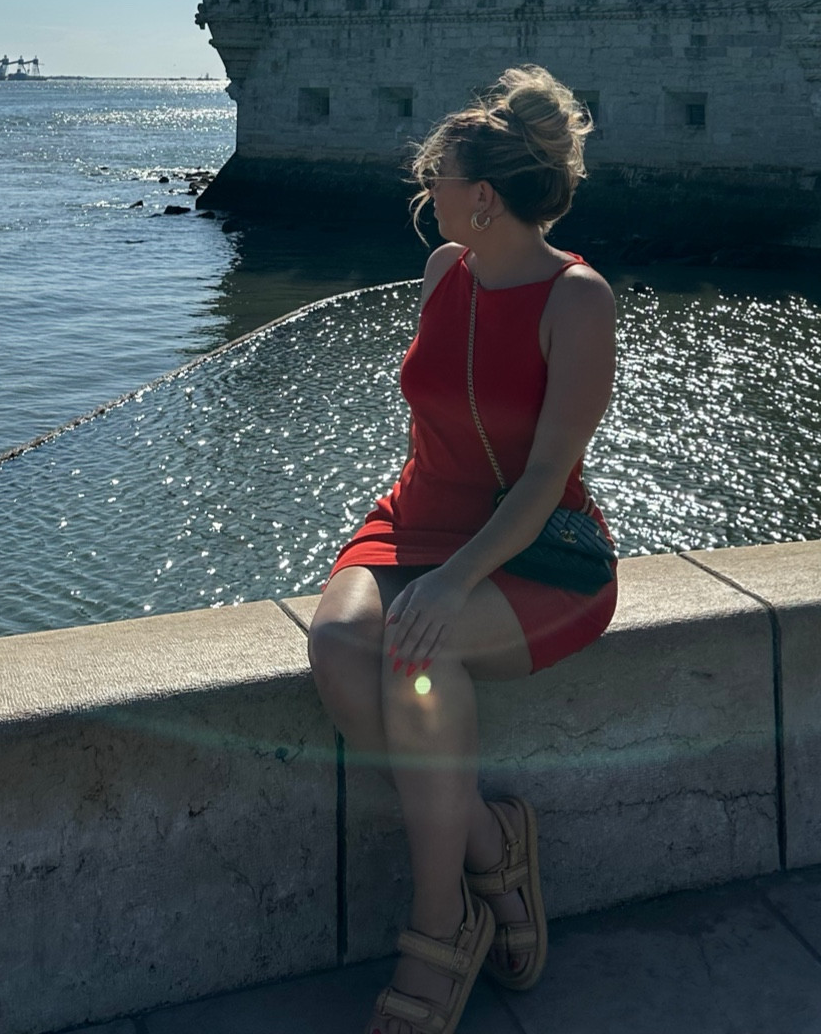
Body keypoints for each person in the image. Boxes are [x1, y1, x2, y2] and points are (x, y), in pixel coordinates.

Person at [307, 65, 618, 1034]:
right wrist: (422, 558)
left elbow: (539, 478)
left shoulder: (579, 300)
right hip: (413, 516)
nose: (423, 187)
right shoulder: (446, 271)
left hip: (537, 548)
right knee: (340, 647)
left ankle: (440, 926)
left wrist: (452, 578)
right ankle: (492, 842)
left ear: (481, 194)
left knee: (418, 655)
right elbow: (435, 415)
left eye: (435, 173)